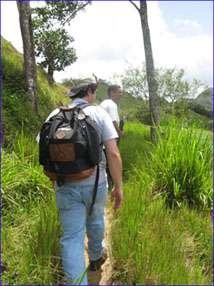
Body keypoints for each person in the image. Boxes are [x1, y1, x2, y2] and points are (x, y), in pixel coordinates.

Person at [40, 81, 123, 285]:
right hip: (94, 182)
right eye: (94, 92)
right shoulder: (98, 113)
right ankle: (95, 258)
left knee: (71, 237)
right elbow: (113, 152)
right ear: (89, 92)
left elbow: (43, 147)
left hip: (64, 183)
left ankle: (77, 282)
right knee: (95, 219)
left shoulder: (54, 114)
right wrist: (119, 186)